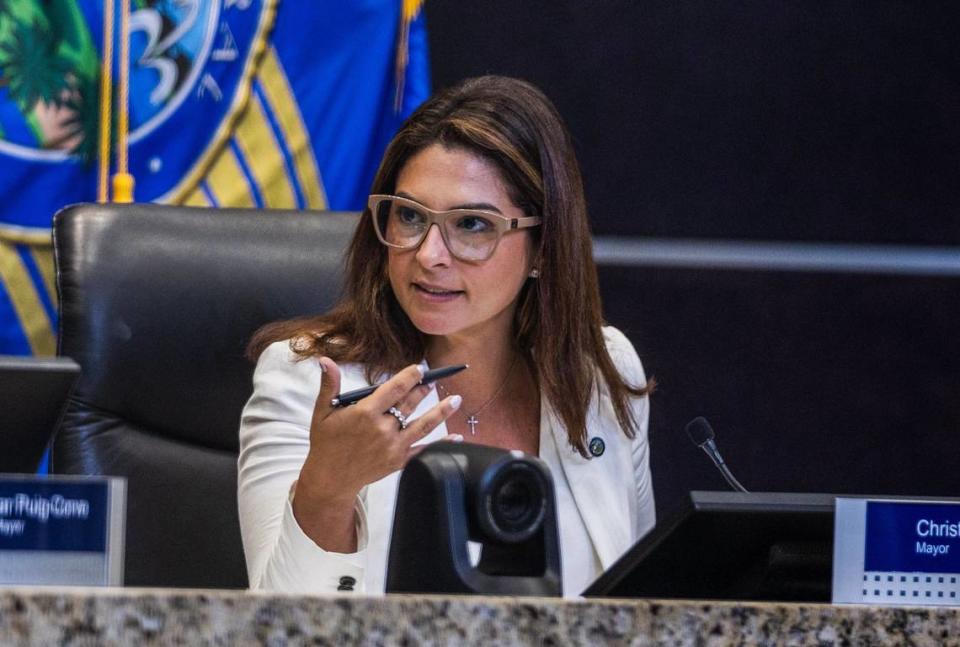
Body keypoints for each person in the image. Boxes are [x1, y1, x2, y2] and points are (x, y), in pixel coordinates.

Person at [237, 75, 655, 597]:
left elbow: (641, 612)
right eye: (410, 216)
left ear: (544, 249)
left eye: (472, 225)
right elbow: (276, 630)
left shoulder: (601, 370)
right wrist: (328, 487)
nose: (429, 254)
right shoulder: (308, 378)